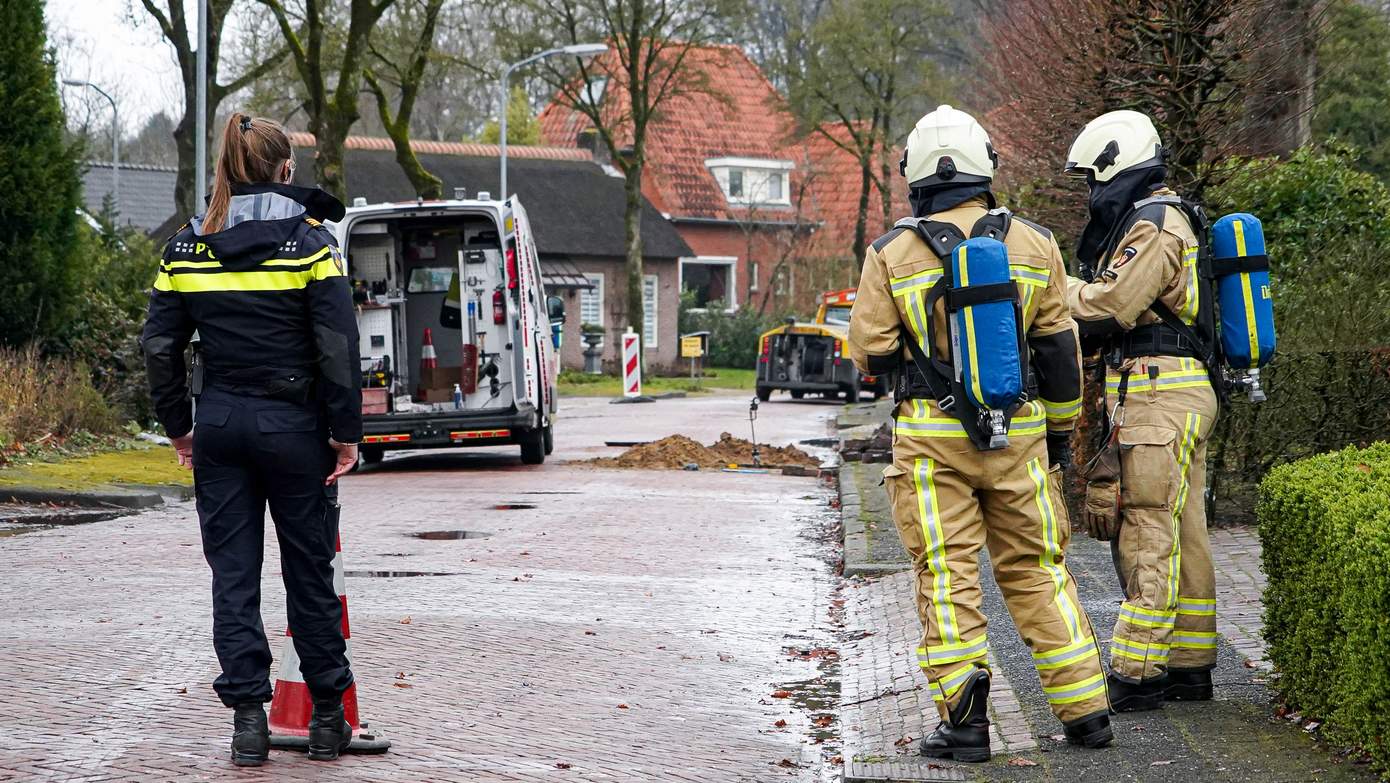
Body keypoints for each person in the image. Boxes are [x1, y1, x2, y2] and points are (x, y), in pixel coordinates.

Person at [848, 105, 1112, 762]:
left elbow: (872, 355)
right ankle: (1087, 709)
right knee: (1037, 569)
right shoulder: (1034, 243)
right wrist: (1056, 441)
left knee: (947, 572)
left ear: (914, 172)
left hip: (932, 441)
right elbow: (1057, 352)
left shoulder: (890, 253)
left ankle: (965, 725)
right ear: (985, 166)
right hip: (1020, 439)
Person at [141, 113, 362, 765]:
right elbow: (337, 345)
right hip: (294, 427)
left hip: (221, 426)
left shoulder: (187, 246)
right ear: (285, 170)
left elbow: (159, 344)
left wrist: (180, 423)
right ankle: (325, 718)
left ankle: (247, 723)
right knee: (308, 572)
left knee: (233, 577)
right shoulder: (309, 243)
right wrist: (344, 433)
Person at [1063, 110, 1219, 711]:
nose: (1091, 193)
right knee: (1184, 530)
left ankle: (1138, 672)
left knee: (1147, 527)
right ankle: (1188, 665)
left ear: (1116, 165)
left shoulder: (1153, 225)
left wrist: (1055, 289)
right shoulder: (1161, 217)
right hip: (1176, 389)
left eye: (1093, 179)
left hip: (1160, 394)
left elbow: (1112, 305)